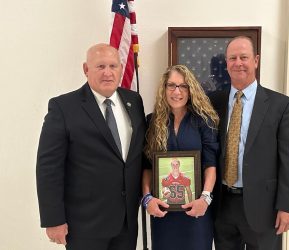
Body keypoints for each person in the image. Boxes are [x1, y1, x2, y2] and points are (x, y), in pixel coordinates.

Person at [36, 43, 146, 250]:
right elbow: (48, 168)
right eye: (100, 66)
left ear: (121, 68)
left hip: (127, 223)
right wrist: (53, 219)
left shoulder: (134, 101)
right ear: (86, 69)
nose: (107, 73)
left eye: (113, 66)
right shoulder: (63, 107)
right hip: (84, 225)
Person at [210, 36, 289, 250]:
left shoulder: (281, 105)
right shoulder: (214, 102)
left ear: (256, 61)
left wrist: (287, 207)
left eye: (244, 57)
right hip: (222, 205)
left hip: (264, 207)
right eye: (233, 58)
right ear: (226, 63)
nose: (238, 63)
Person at [142, 65, 219, 250]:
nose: (177, 92)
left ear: (190, 90)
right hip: (163, 213)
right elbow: (147, 166)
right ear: (164, 88)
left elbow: (210, 164)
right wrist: (147, 198)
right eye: (172, 85)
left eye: (183, 86)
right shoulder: (151, 121)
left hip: (196, 210)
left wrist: (205, 199)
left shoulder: (203, 121)